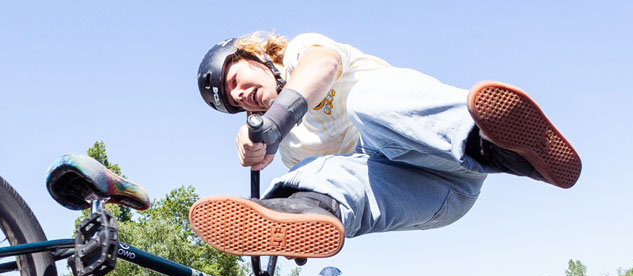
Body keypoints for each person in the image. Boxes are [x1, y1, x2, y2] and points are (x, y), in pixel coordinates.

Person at [190, 33, 581, 258]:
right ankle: (302, 212)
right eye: (233, 100)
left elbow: (321, 68)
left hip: (450, 149)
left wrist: (275, 120)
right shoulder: (292, 148)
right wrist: (267, 155)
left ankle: (506, 148)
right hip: (439, 196)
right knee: (312, 179)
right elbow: (354, 184)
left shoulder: (300, 53)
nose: (240, 94)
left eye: (236, 79)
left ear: (256, 57)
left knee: (364, 104)